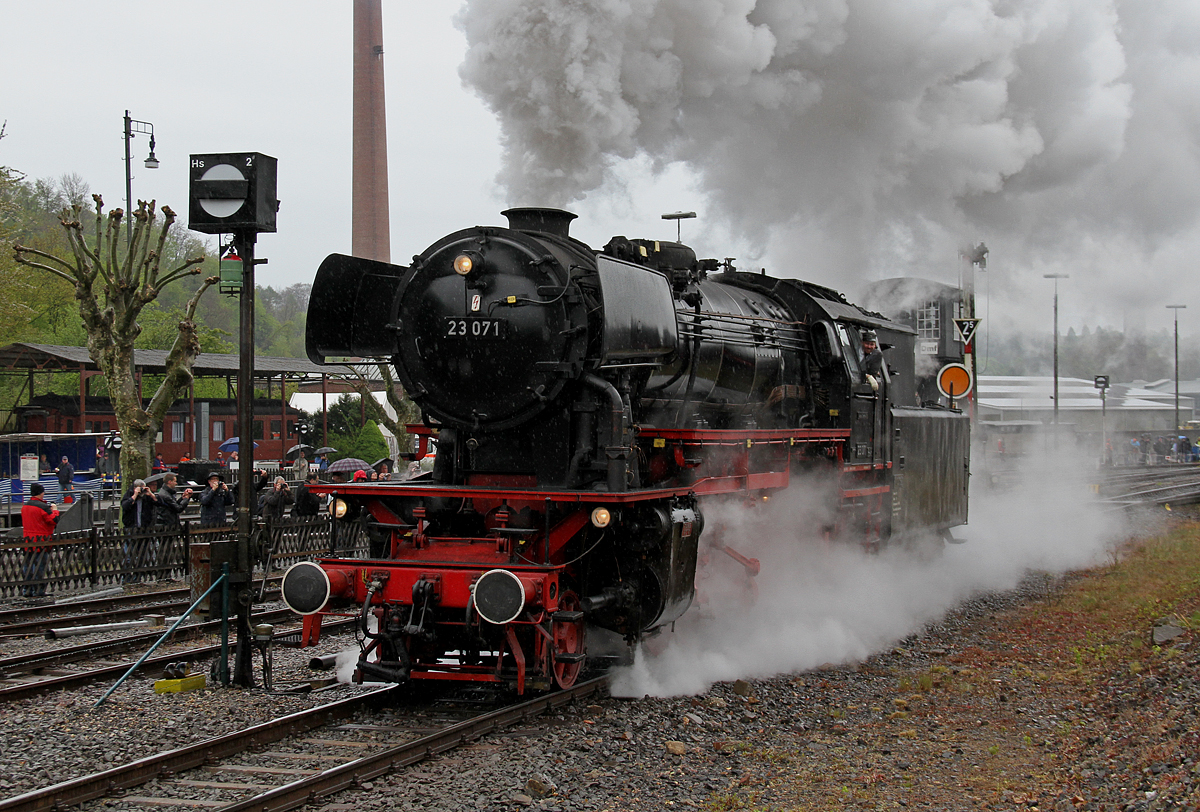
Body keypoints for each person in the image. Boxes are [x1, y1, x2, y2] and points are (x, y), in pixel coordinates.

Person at [21, 482, 59, 597]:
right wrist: (55, 510)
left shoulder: (25, 506)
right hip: (42, 540)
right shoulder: (42, 507)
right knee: (39, 565)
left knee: (28, 565)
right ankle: (38, 590)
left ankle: (27, 590)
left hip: (28, 540)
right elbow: (54, 520)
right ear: (41, 493)